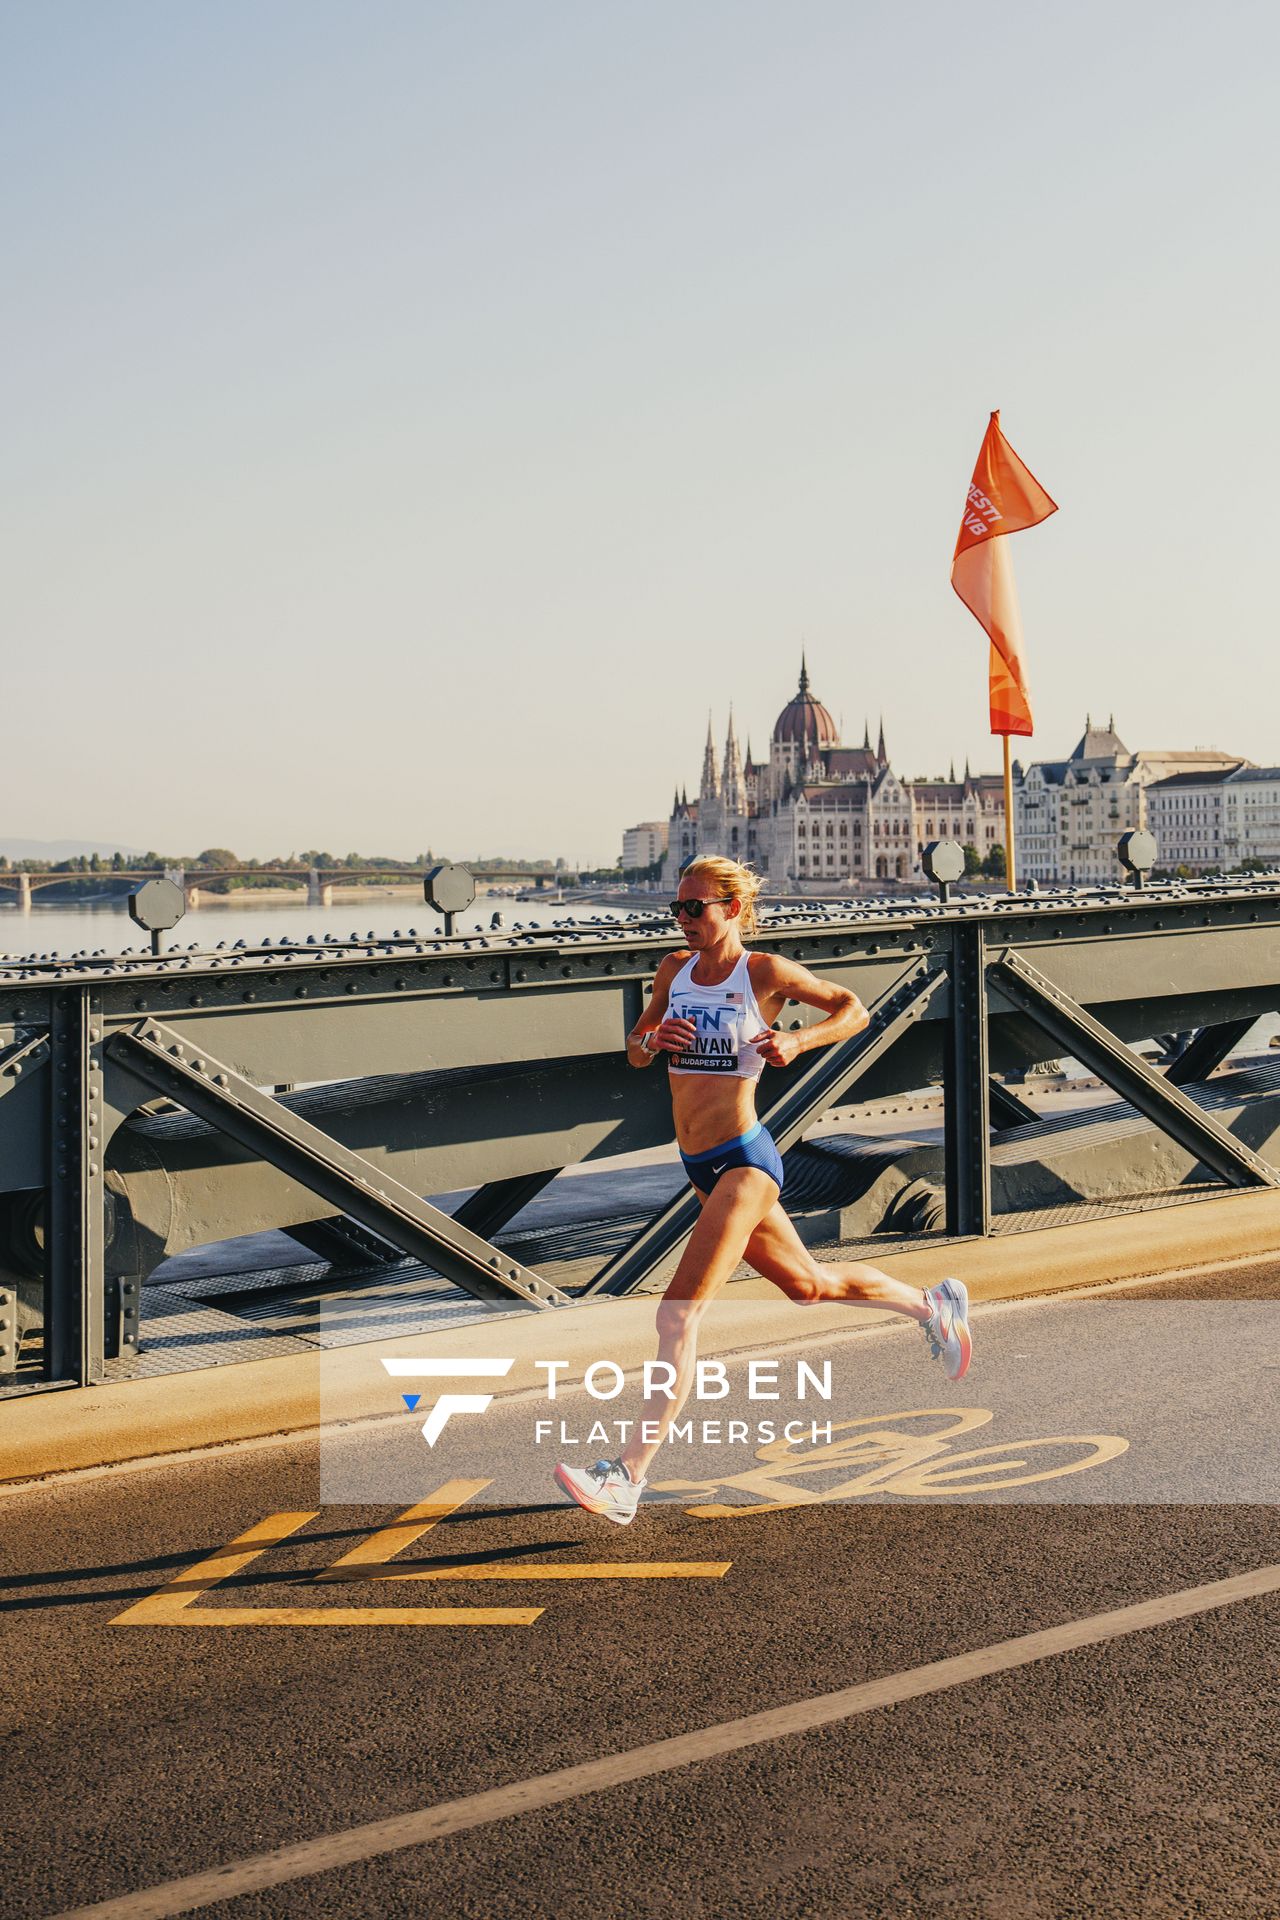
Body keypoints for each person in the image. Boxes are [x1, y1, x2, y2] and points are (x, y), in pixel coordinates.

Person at [555, 855, 971, 1526]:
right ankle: (932, 1305)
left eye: (697, 908)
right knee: (807, 1286)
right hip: (698, 1167)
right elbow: (635, 1048)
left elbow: (854, 1010)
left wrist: (798, 1042)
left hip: (743, 1163)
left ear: (733, 909)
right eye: (678, 909)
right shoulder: (673, 971)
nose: (684, 920)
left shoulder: (765, 975)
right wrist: (651, 1037)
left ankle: (626, 1476)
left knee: (676, 1316)